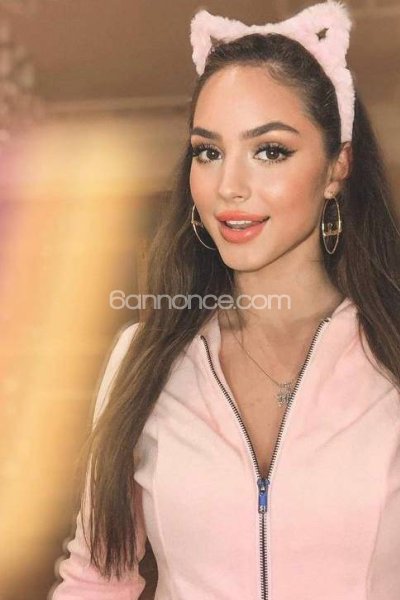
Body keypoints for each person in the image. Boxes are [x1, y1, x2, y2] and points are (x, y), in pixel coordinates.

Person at [50, 1, 400, 599]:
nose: (229, 187)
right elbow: (96, 579)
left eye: (270, 151)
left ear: (337, 166)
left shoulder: (389, 353)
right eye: (208, 152)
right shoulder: (144, 357)